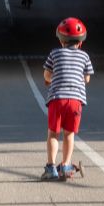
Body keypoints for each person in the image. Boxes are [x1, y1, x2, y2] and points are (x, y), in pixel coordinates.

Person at [41, 17, 94, 181]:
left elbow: (47, 75)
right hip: (75, 101)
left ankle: (51, 167)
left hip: (57, 99)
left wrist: (49, 80)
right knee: (69, 134)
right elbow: (87, 79)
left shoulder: (54, 53)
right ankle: (65, 165)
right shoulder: (84, 56)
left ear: (61, 41)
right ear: (80, 42)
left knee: (53, 134)